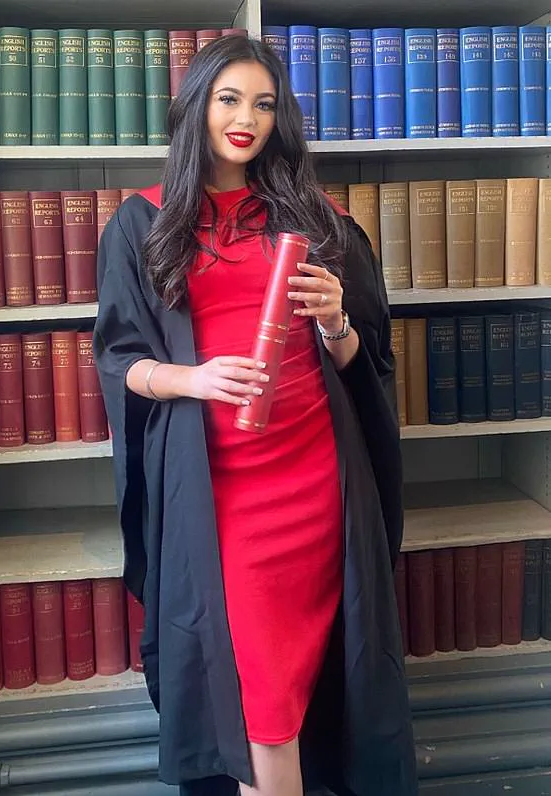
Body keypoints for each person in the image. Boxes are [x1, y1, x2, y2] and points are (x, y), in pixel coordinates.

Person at [93, 34, 417, 796]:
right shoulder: (142, 223)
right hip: (223, 494)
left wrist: (336, 322)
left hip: (316, 480)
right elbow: (118, 360)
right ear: (197, 106)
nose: (246, 119)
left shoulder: (319, 220)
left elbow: (367, 363)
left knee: (296, 693)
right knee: (262, 703)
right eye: (229, 99)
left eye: (264, 105)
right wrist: (196, 378)